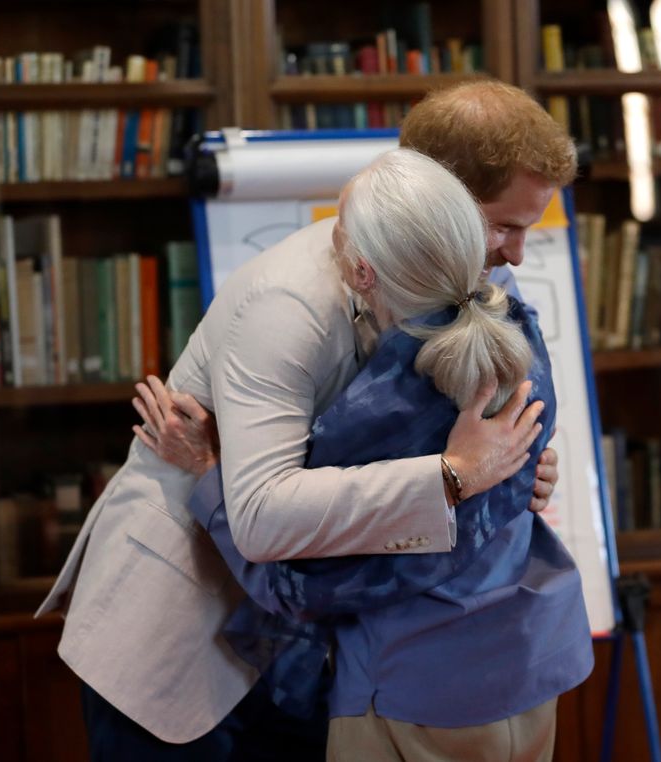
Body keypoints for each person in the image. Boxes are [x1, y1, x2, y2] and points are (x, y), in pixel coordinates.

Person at [36, 77, 576, 759]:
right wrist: (454, 475)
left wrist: (522, 465)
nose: (517, 255)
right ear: (432, 195)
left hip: (309, 638)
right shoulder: (287, 305)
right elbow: (261, 514)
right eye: (504, 225)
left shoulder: (474, 280)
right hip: (186, 630)